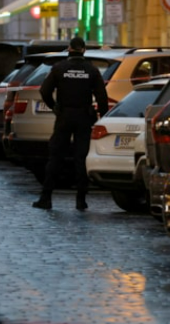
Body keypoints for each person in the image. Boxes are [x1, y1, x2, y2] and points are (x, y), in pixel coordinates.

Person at [33, 36, 109, 211]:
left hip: (64, 117)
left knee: (55, 156)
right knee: (81, 158)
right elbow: (102, 98)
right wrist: (103, 118)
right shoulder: (92, 70)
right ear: (83, 50)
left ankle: (46, 198)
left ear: (69, 49)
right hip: (84, 116)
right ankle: (81, 200)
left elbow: (44, 91)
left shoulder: (59, 68)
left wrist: (55, 107)